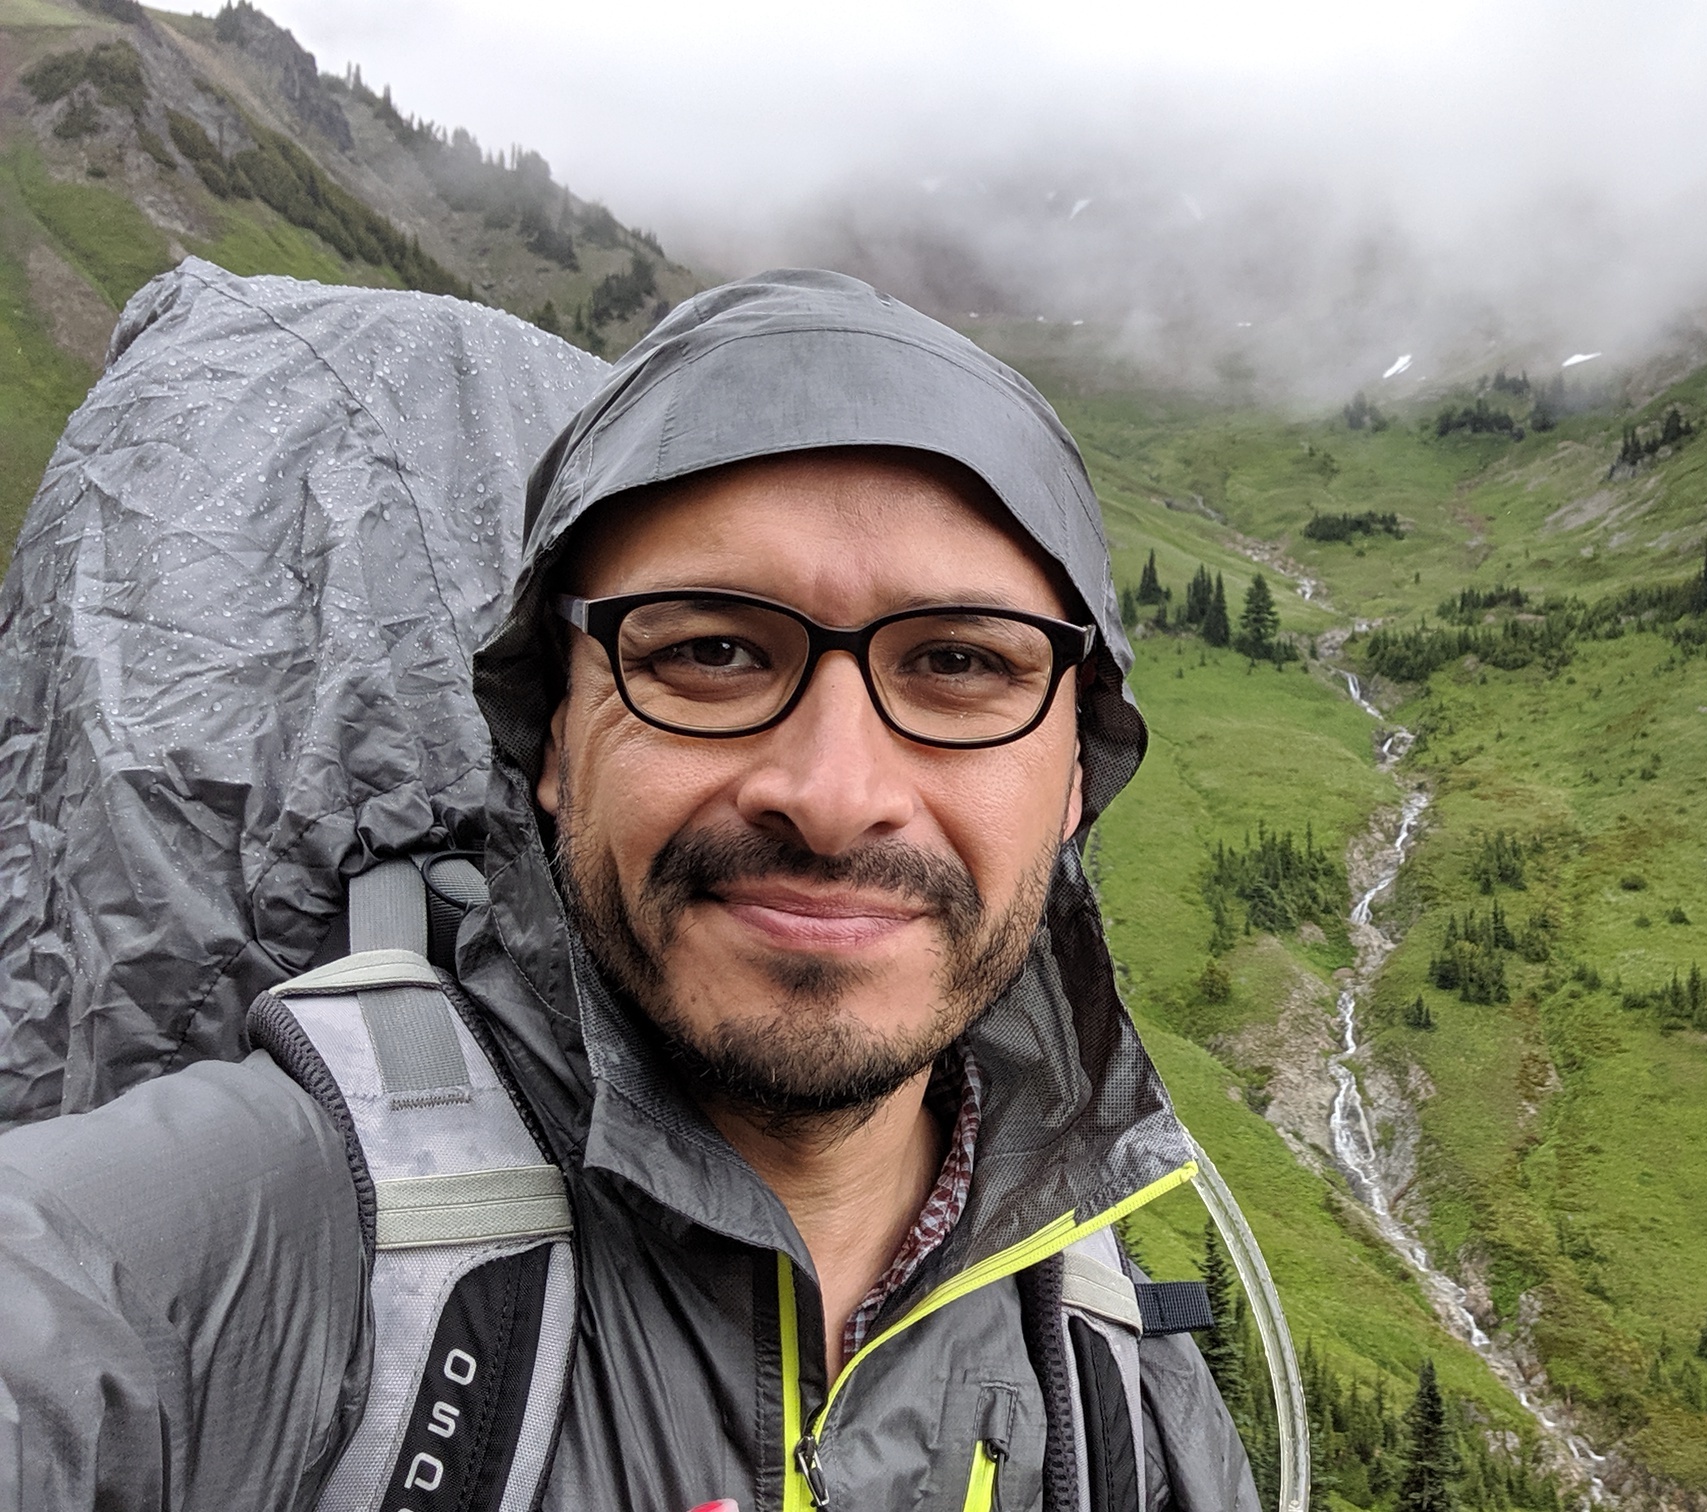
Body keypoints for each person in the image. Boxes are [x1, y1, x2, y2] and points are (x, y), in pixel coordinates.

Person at [0, 270, 1261, 1512]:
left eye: (958, 663)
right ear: (554, 737)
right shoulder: (207, 1255)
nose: (831, 793)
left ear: (1074, 783)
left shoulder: (1124, 1399)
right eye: (710, 651)